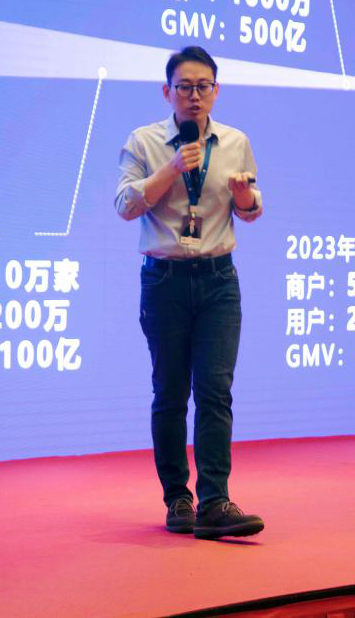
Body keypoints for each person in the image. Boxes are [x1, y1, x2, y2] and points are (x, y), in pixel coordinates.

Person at [115, 46, 265, 539]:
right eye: (185, 87)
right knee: (171, 392)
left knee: (216, 391)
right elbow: (125, 206)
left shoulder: (236, 141)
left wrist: (245, 199)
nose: (195, 96)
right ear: (167, 92)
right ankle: (178, 499)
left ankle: (215, 502)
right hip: (165, 281)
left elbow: (251, 209)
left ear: (216, 91)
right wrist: (173, 168)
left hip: (219, 280)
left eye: (204, 87)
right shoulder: (144, 141)